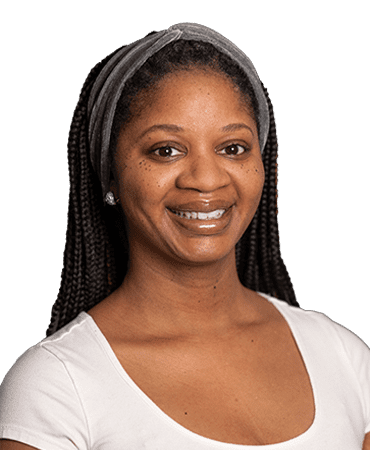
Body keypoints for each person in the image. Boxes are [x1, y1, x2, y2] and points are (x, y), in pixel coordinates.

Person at [0, 23, 369, 449]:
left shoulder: (343, 355)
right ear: (110, 176)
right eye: (166, 150)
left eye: (233, 148)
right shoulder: (58, 385)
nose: (206, 179)